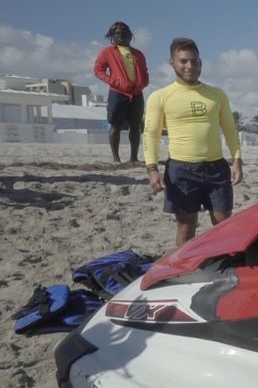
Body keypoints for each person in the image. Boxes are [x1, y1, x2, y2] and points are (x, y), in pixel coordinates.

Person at [143, 38, 243, 247]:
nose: (190, 66)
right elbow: (151, 134)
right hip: (181, 170)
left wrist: (237, 161)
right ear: (172, 62)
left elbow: (230, 130)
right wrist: (152, 169)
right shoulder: (160, 96)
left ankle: (225, 264)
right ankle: (185, 270)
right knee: (186, 226)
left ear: (201, 62)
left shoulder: (217, 95)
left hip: (217, 167)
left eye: (195, 61)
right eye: (184, 61)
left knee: (225, 223)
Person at [93, 21, 149, 163]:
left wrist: (143, 83)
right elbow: (98, 70)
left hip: (136, 94)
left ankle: (134, 158)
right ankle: (116, 158)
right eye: (117, 34)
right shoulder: (108, 52)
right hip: (117, 93)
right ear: (113, 36)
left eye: (124, 33)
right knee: (115, 125)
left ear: (130, 35)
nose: (122, 36)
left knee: (135, 126)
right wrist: (114, 82)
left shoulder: (138, 54)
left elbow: (145, 72)